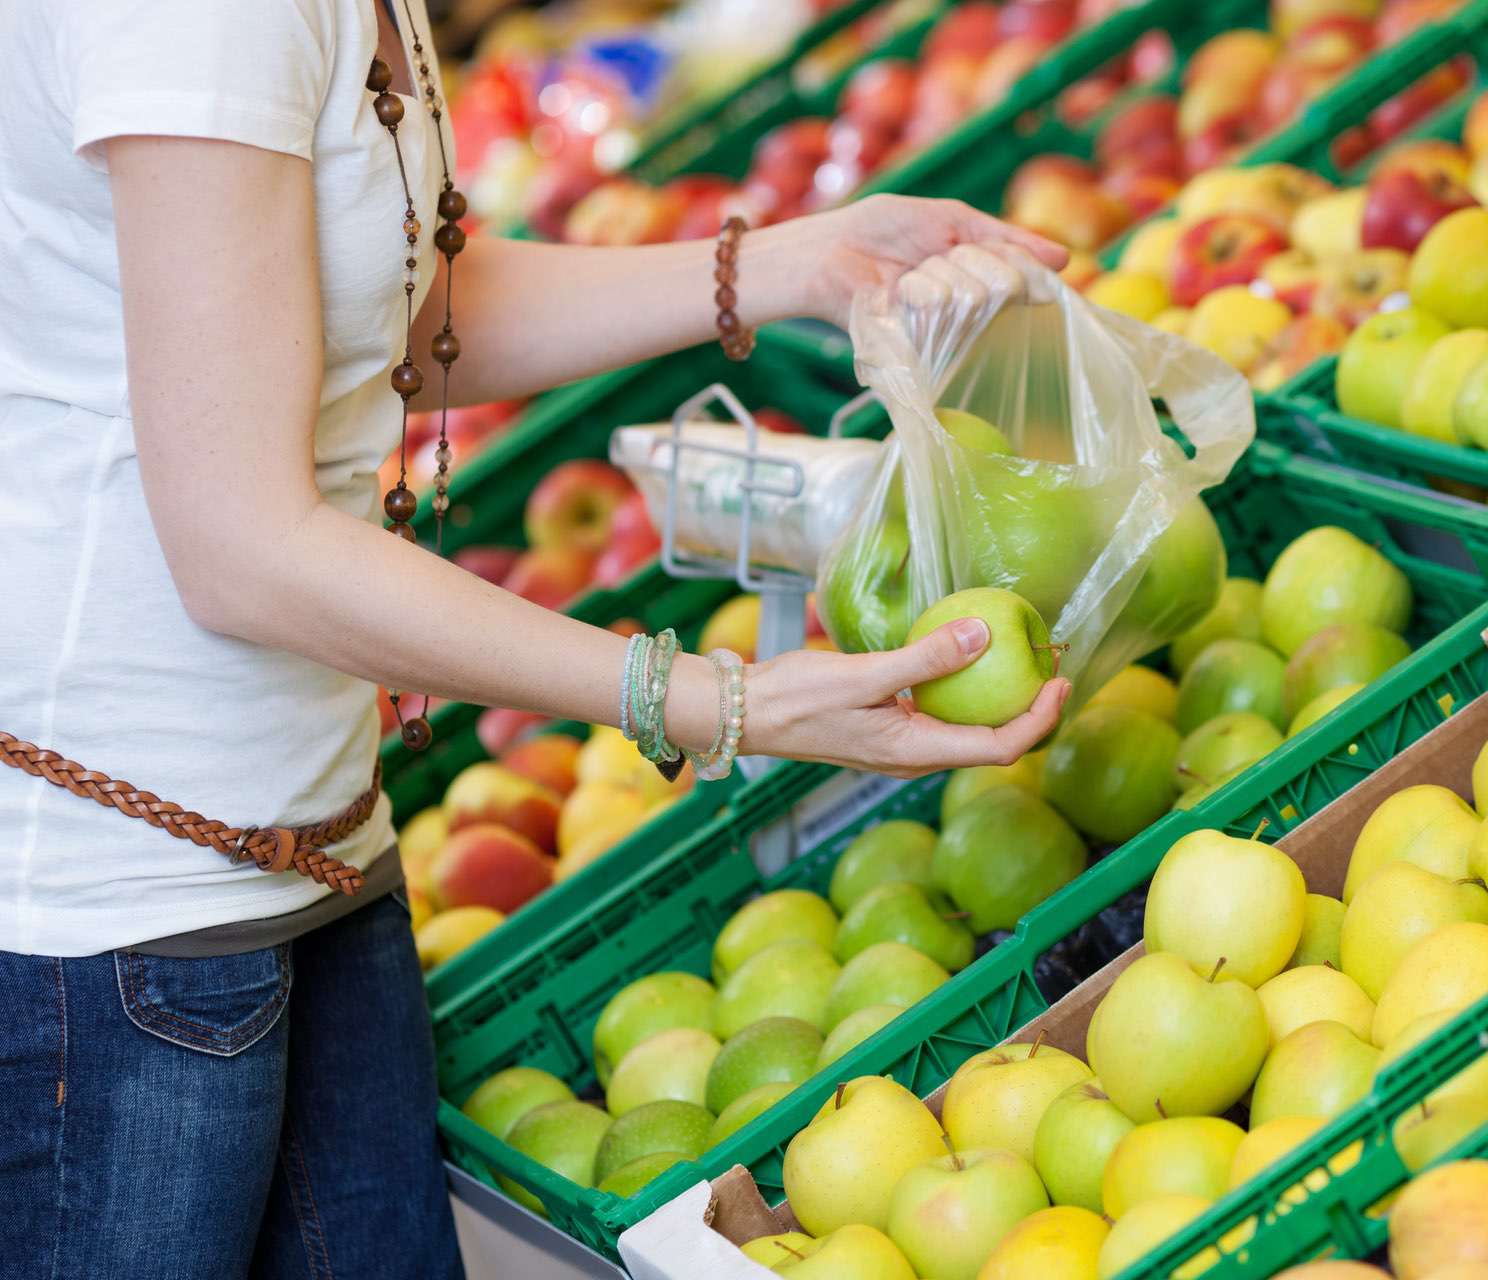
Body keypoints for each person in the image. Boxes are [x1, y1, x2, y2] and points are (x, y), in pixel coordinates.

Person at [0, 1, 1071, 1275]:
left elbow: (400, 297)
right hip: (125, 906)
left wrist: (798, 262)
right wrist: (711, 699)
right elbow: (242, 547)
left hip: (315, 837)